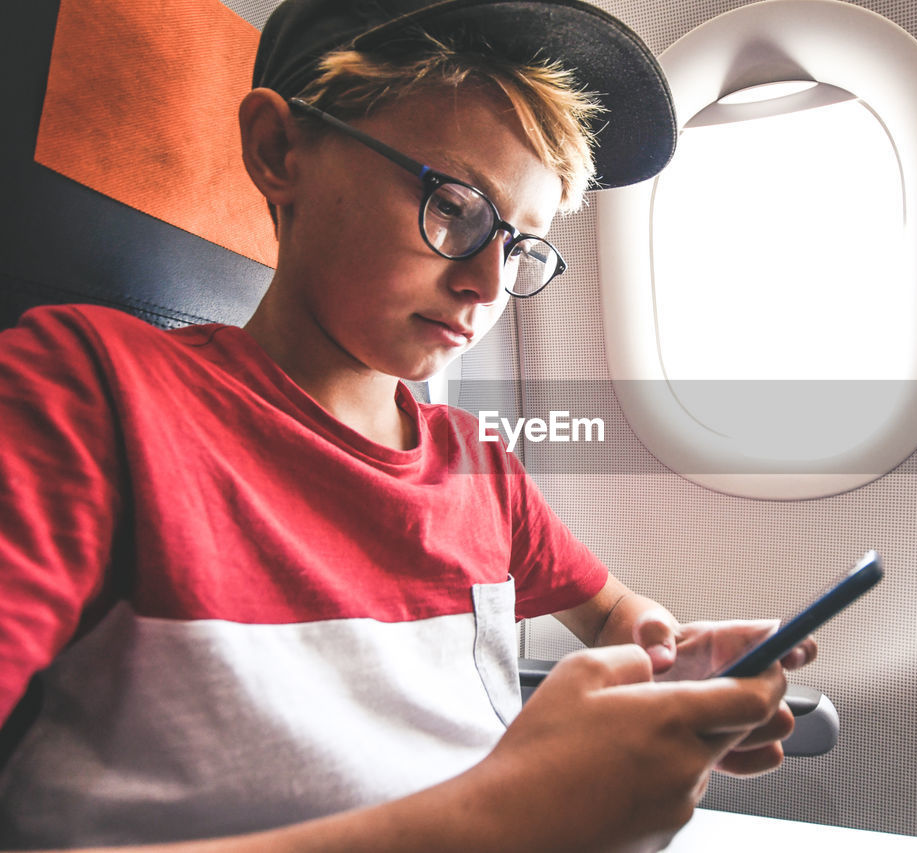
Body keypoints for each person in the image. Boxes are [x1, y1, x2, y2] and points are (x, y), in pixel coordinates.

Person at [0, 1, 815, 850]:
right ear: (281, 152)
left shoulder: (478, 470)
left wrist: (662, 657)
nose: (488, 283)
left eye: (522, 245)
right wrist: (510, 817)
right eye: (455, 206)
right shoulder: (87, 398)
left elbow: (615, 614)